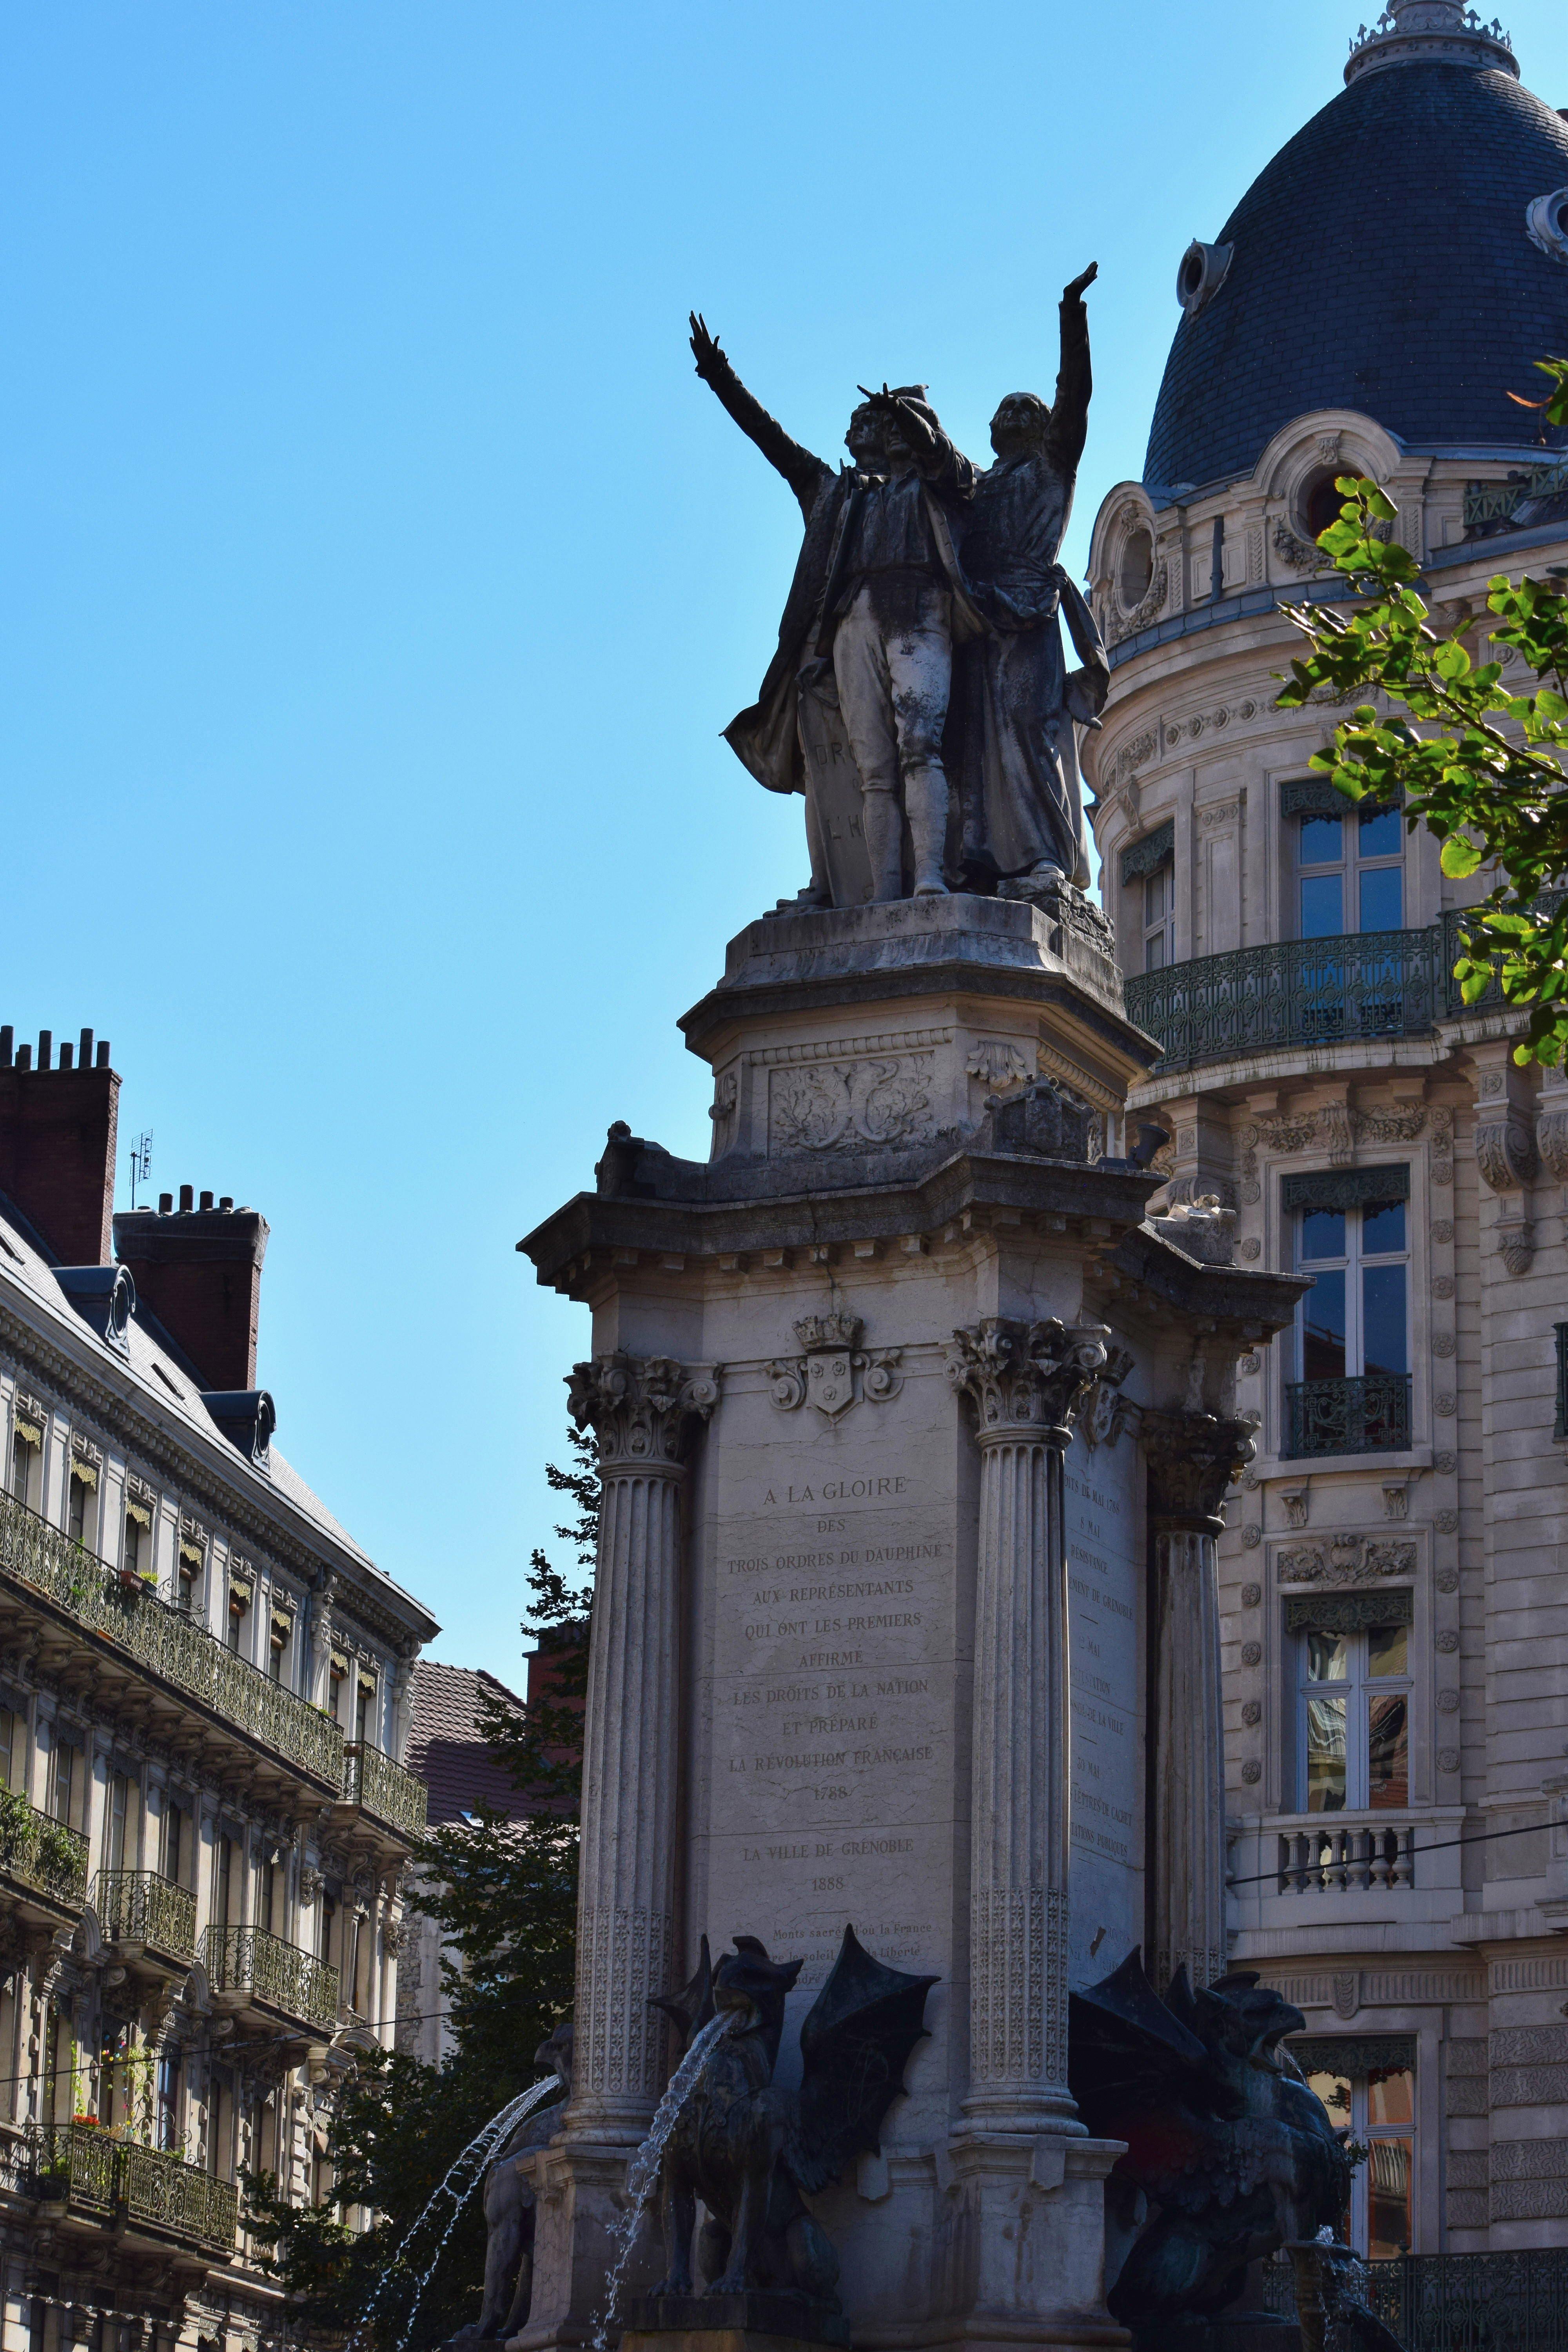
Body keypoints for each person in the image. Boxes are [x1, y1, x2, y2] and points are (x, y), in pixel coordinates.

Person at [690, 316, 988, 903]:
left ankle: (929, 876)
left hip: (919, 611)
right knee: (872, 766)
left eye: (885, 421)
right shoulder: (836, 493)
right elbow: (771, 440)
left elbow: (943, 457)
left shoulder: (943, 483)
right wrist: (719, 376)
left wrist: (910, 414)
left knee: (921, 747)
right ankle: (884, 891)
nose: (873, 430)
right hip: (854, 620)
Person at [954, 263, 1108, 893]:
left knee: (1030, 728)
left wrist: (1072, 317)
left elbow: (1076, 397)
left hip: (1030, 610)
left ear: (1045, 429)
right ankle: (979, 855)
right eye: (1007, 408)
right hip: (978, 616)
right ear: (992, 430)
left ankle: (1047, 854)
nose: (1017, 411)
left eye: (1029, 407)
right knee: (972, 738)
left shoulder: (1052, 468)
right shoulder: (975, 487)